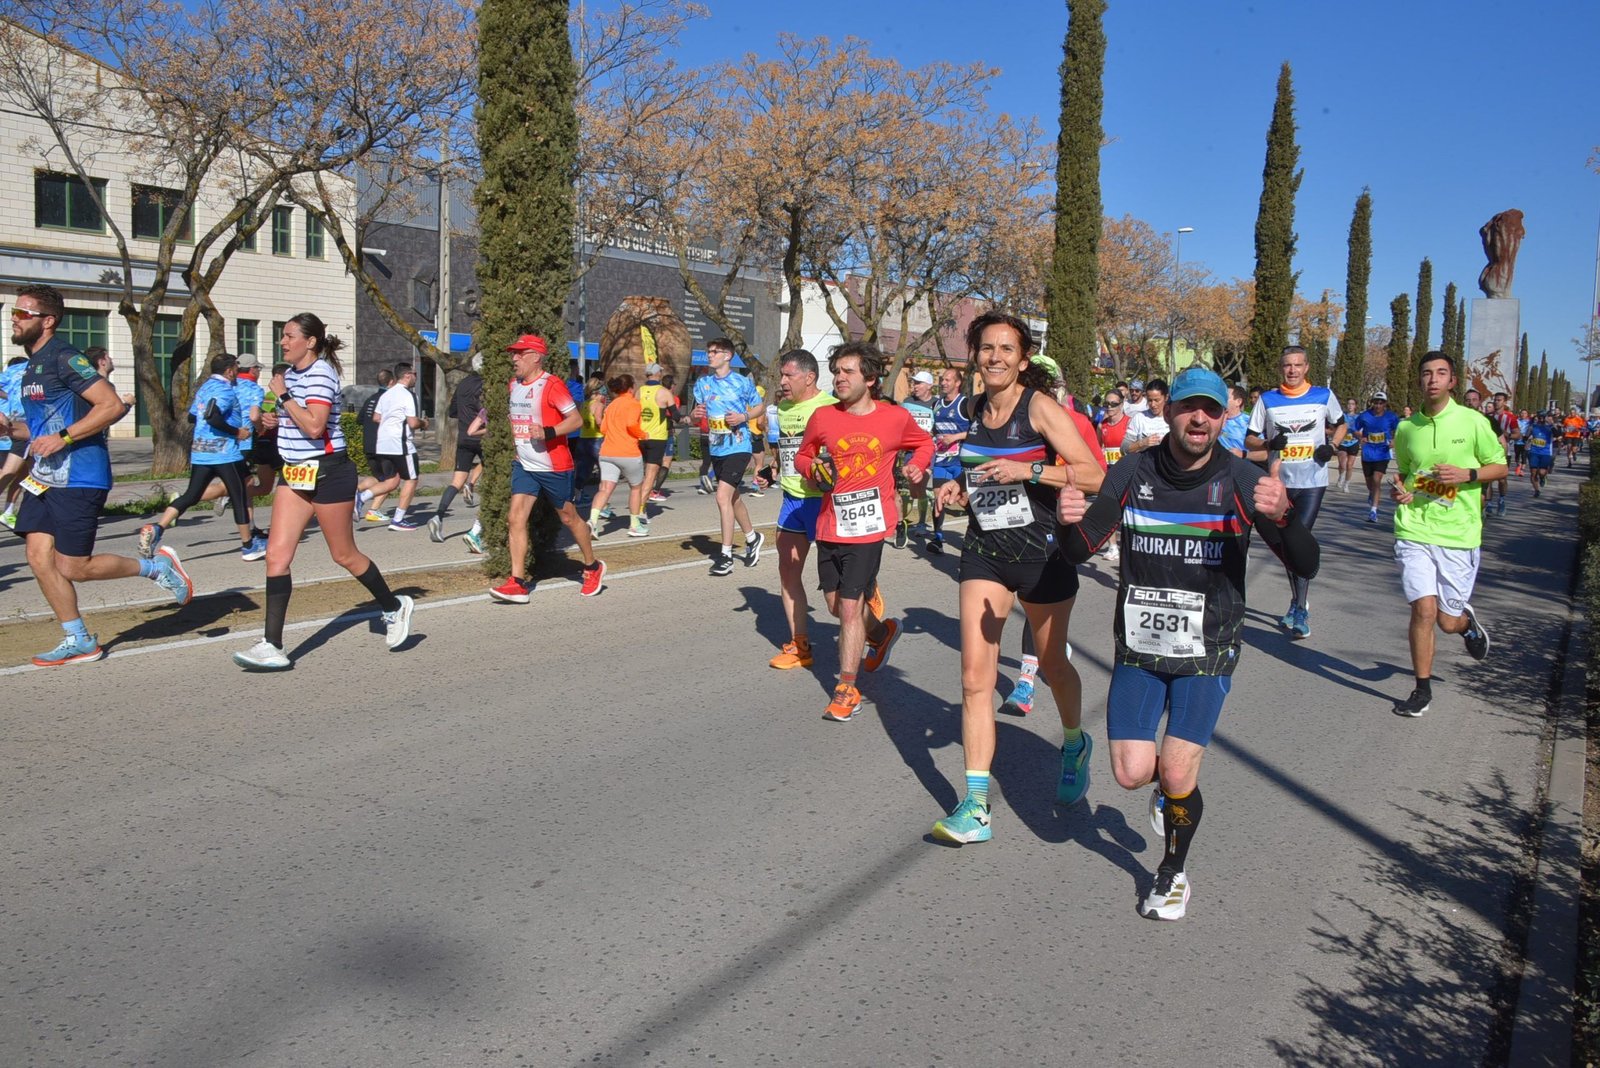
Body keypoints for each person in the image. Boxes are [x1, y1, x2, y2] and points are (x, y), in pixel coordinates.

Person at [1056, 365, 1318, 919]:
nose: (1200, 418)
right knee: (1131, 772)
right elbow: (1079, 549)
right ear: (1170, 411)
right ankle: (1171, 791)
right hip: (1141, 645)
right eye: (1189, 407)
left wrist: (1285, 516)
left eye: (1212, 410)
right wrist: (1065, 523)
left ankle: (1171, 873)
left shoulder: (1242, 480)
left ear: (1223, 419)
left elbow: (1306, 563)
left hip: (1209, 648)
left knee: (1177, 771)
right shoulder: (1132, 471)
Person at [927, 311, 1103, 845]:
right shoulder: (974, 409)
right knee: (974, 678)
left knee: (1051, 665)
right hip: (985, 553)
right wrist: (959, 488)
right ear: (975, 356)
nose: (995, 357)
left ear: (1023, 360)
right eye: (987, 348)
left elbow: (1095, 475)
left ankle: (1073, 742)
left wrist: (1030, 470)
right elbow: (982, 472)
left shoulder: (1040, 408)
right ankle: (976, 806)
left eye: (1007, 349)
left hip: (1043, 554)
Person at [5, 285, 193, 665]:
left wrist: (63, 437)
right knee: (38, 557)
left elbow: (110, 406)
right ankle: (79, 639)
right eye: (14, 312)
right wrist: (10, 429)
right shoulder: (31, 367)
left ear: (48, 321)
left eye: (23, 313)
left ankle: (155, 567)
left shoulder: (65, 358)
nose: (15, 319)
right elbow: (39, 430)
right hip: (44, 477)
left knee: (73, 566)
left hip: (79, 476)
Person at [232, 315, 413, 669]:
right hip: (295, 473)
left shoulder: (321, 374)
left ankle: (394, 607)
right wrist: (272, 420)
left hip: (329, 472)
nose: (283, 342)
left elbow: (315, 427)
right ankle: (272, 645)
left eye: (289, 336)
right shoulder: (290, 375)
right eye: (283, 336)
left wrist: (283, 396)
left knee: (343, 555)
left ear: (310, 341)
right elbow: (292, 419)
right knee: (276, 556)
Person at [794, 341, 932, 720]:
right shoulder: (823, 417)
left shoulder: (895, 417)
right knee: (835, 606)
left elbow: (924, 443)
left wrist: (917, 465)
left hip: (870, 525)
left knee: (850, 606)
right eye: (836, 371)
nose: (839, 378)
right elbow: (803, 454)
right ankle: (882, 634)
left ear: (869, 379)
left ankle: (847, 689)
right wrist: (811, 468)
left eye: (848, 371)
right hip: (831, 523)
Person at [1388, 351, 1505, 717]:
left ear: (1452, 381)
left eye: (1441, 373)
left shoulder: (1473, 422)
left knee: (1446, 621)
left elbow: (1500, 466)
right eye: (1427, 373)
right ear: (1419, 380)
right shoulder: (1407, 428)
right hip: (1414, 528)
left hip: (1458, 534)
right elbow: (1407, 474)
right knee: (1423, 610)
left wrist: (1467, 475)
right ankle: (1421, 690)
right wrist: (1401, 492)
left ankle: (1466, 625)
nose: (1433, 379)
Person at [487, 334, 605, 602]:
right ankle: (517, 582)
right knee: (515, 518)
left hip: (554, 465)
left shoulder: (552, 385)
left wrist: (547, 432)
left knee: (569, 518)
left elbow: (575, 420)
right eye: (513, 353)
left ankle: (592, 567)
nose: (514, 358)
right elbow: (519, 420)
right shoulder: (514, 384)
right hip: (525, 465)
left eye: (520, 353)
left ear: (536, 357)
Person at [1245, 345, 1346, 638]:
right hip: (1280, 483)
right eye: (1287, 365)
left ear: (1306, 368)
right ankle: (1296, 601)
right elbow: (1250, 439)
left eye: (1297, 365)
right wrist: (1268, 445)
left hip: (1312, 481)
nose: (1292, 370)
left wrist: (1332, 446)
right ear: (1281, 368)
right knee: (1289, 546)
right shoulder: (1268, 400)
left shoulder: (1323, 396)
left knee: (1298, 541)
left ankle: (1300, 609)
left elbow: (1341, 425)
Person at [137, 354, 266, 561]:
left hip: (200, 452)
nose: (237, 373)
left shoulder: (204, 388)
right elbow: (213, 417)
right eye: (235, 369)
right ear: (229, 371)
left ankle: (157, 528)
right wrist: (237, 432)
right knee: (239, 496)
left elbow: (192, 416)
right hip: (224, 453)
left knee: (192, 495)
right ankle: (248, 546)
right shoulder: (225, 390)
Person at [767, 349, 838, 669]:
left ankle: (872, 624)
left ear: (809, 378)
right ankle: (800, 646)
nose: (782, 381)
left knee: (838, 591)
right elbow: (786, 449)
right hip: (793, 500)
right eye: (781, 375)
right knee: (787, 570)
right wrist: (772, 468)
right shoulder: (782, 408)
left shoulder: (831, 407)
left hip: (825, 502)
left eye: (789, 375)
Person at [691, 337, 765, 576]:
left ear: (728, 356)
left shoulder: (741, 382)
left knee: (722, 496)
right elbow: (694, 415)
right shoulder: (703, 384)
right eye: (709, 351)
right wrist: (694, 415)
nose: (710, 355)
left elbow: (760, 407)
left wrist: (743, 417)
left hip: (739, 446)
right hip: (717, 448)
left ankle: (725, 556)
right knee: (733, 498)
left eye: (715, 351)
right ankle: (752, 538)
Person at [354, 363, 429, 531]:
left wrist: (391, 422)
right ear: (408, 375)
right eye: (415, 374)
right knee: (411, 479)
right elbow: (412, 422)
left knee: (392, 481)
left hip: (382, 443)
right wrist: (423, 423)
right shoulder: (408, 395)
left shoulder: (386, 394)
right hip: (400, 444)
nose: (416, 377)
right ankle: (398, 520)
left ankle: (361, 497)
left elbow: (376, 417)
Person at [428, 363, 485, 542]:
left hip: (463, 438)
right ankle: (477, 527)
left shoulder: (463, 383)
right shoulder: (486, 384)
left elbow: (452, 411)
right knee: (494, 481)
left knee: (456, 481)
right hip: (483, 436)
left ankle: (438, 516)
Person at [589, 373, 650, 538]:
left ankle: (592, 521)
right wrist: (643, 435)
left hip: (607, 452)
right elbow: (631, 424)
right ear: (630, 388)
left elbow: (603, 429)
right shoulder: (633, 403)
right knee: (636, 488)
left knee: (604, 489)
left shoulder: (611, 405)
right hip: (628, 452)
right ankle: (635, 525)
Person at [927, 367, 972, 555]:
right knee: (938, 497)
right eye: (942, 379)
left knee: (963, 500)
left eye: (947, 380)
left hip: (960, 461)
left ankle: (976, 534)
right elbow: (936, 430)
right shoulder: (936, 404)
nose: (943, 383)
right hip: (941, 460)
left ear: (957, 383)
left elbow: (977, 431)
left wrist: (955, 437)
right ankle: (937, 538)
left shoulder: (965, 404)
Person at [897, 370, 938, 547]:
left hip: (929, 450)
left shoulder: (937, 404)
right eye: (914, 383)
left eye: (919, 383)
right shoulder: (907, 402)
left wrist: (934, 434)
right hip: (910, 451)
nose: (915, 386)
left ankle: (921, 522)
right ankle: (907, 517)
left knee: (920, 483)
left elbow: (941, 426)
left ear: (929, 386)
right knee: (912, 488)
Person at [1347, 391, 1400, 522]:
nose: (1378, 405)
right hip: (1368, 453)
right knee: (1370, 484)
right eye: (1376, 402)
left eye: (1381, 403)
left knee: (1377, 480)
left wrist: (1395, 440)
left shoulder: (1391, 417)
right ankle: (1372, 493)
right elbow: (1353, 429)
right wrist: (1360, 437)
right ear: (1372, 403)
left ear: (1385, 404)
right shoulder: (1364, 416)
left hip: (1383, 452)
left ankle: (1373, 511)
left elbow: (1401, 430)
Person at [638, 362, 679, 506]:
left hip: (641, 436)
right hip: (657, 437)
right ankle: (639, 510)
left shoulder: (639, 391)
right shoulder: (664, 392)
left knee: (642, 474)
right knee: (650, 474)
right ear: (657, 374)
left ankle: (636, 505)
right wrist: (686, 419)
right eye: (660, 372)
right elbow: (676, 415)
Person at [0, 352, 33, 528]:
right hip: (22, 428)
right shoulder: (31, 367)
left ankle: (9, 511)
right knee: (14, 472)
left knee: (21, 472)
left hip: (18, 427)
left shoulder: (10, 373)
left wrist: (10, 395)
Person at [354, 368, 392, 520]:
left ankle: (356, 491)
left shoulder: (370, 399)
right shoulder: (389, 399)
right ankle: (373, 510)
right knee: (390, 480)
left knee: (378, 477)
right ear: (391, 382)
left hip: (368, 445)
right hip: (382, 446)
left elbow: (359, 420)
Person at [575, 372, 606, 505]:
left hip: (583, 439)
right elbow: (599, 421)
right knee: (605, 473)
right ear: (599, 392)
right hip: (596, 440)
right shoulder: (598, 405)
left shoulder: (584, 404)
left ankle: (577, 497)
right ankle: (603, 503)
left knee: (583, 471)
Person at [1122, 378, 1170, 453]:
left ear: (1166, 398)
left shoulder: (1174, 417)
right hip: (1145, 459)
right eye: (1150, 400)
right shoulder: (1139, 418)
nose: (1153, 404)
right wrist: (1142, 443)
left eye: (1157, 400)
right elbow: (1124, 448)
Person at [1525, 410, 1555, 496]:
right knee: (1533, 472)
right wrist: (1526, 440)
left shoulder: (1550, 427)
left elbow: (1558, 434)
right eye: (1540, 417)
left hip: (1545, 453)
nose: (1541, 419)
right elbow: (1526, 437)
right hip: (1534, 452)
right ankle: (1537, 490)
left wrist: (1551, 424)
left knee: (1541, 472)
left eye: (1543, 417)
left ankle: (1542, 477)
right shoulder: (1533, 426)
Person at [1335, 397, 1361, 490]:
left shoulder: (1358, 417)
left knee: (1349, 465)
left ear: (1355, 406)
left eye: (1352, 404)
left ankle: (1346, 484)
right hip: (1342, 442)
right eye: (1349, 404)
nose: (1350, 406)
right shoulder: (1342, 416)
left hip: (1353, 442)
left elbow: (1360, 431)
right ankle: (1341, 476)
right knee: (1342, 465)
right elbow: (1336, 426)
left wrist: (1356, 431)